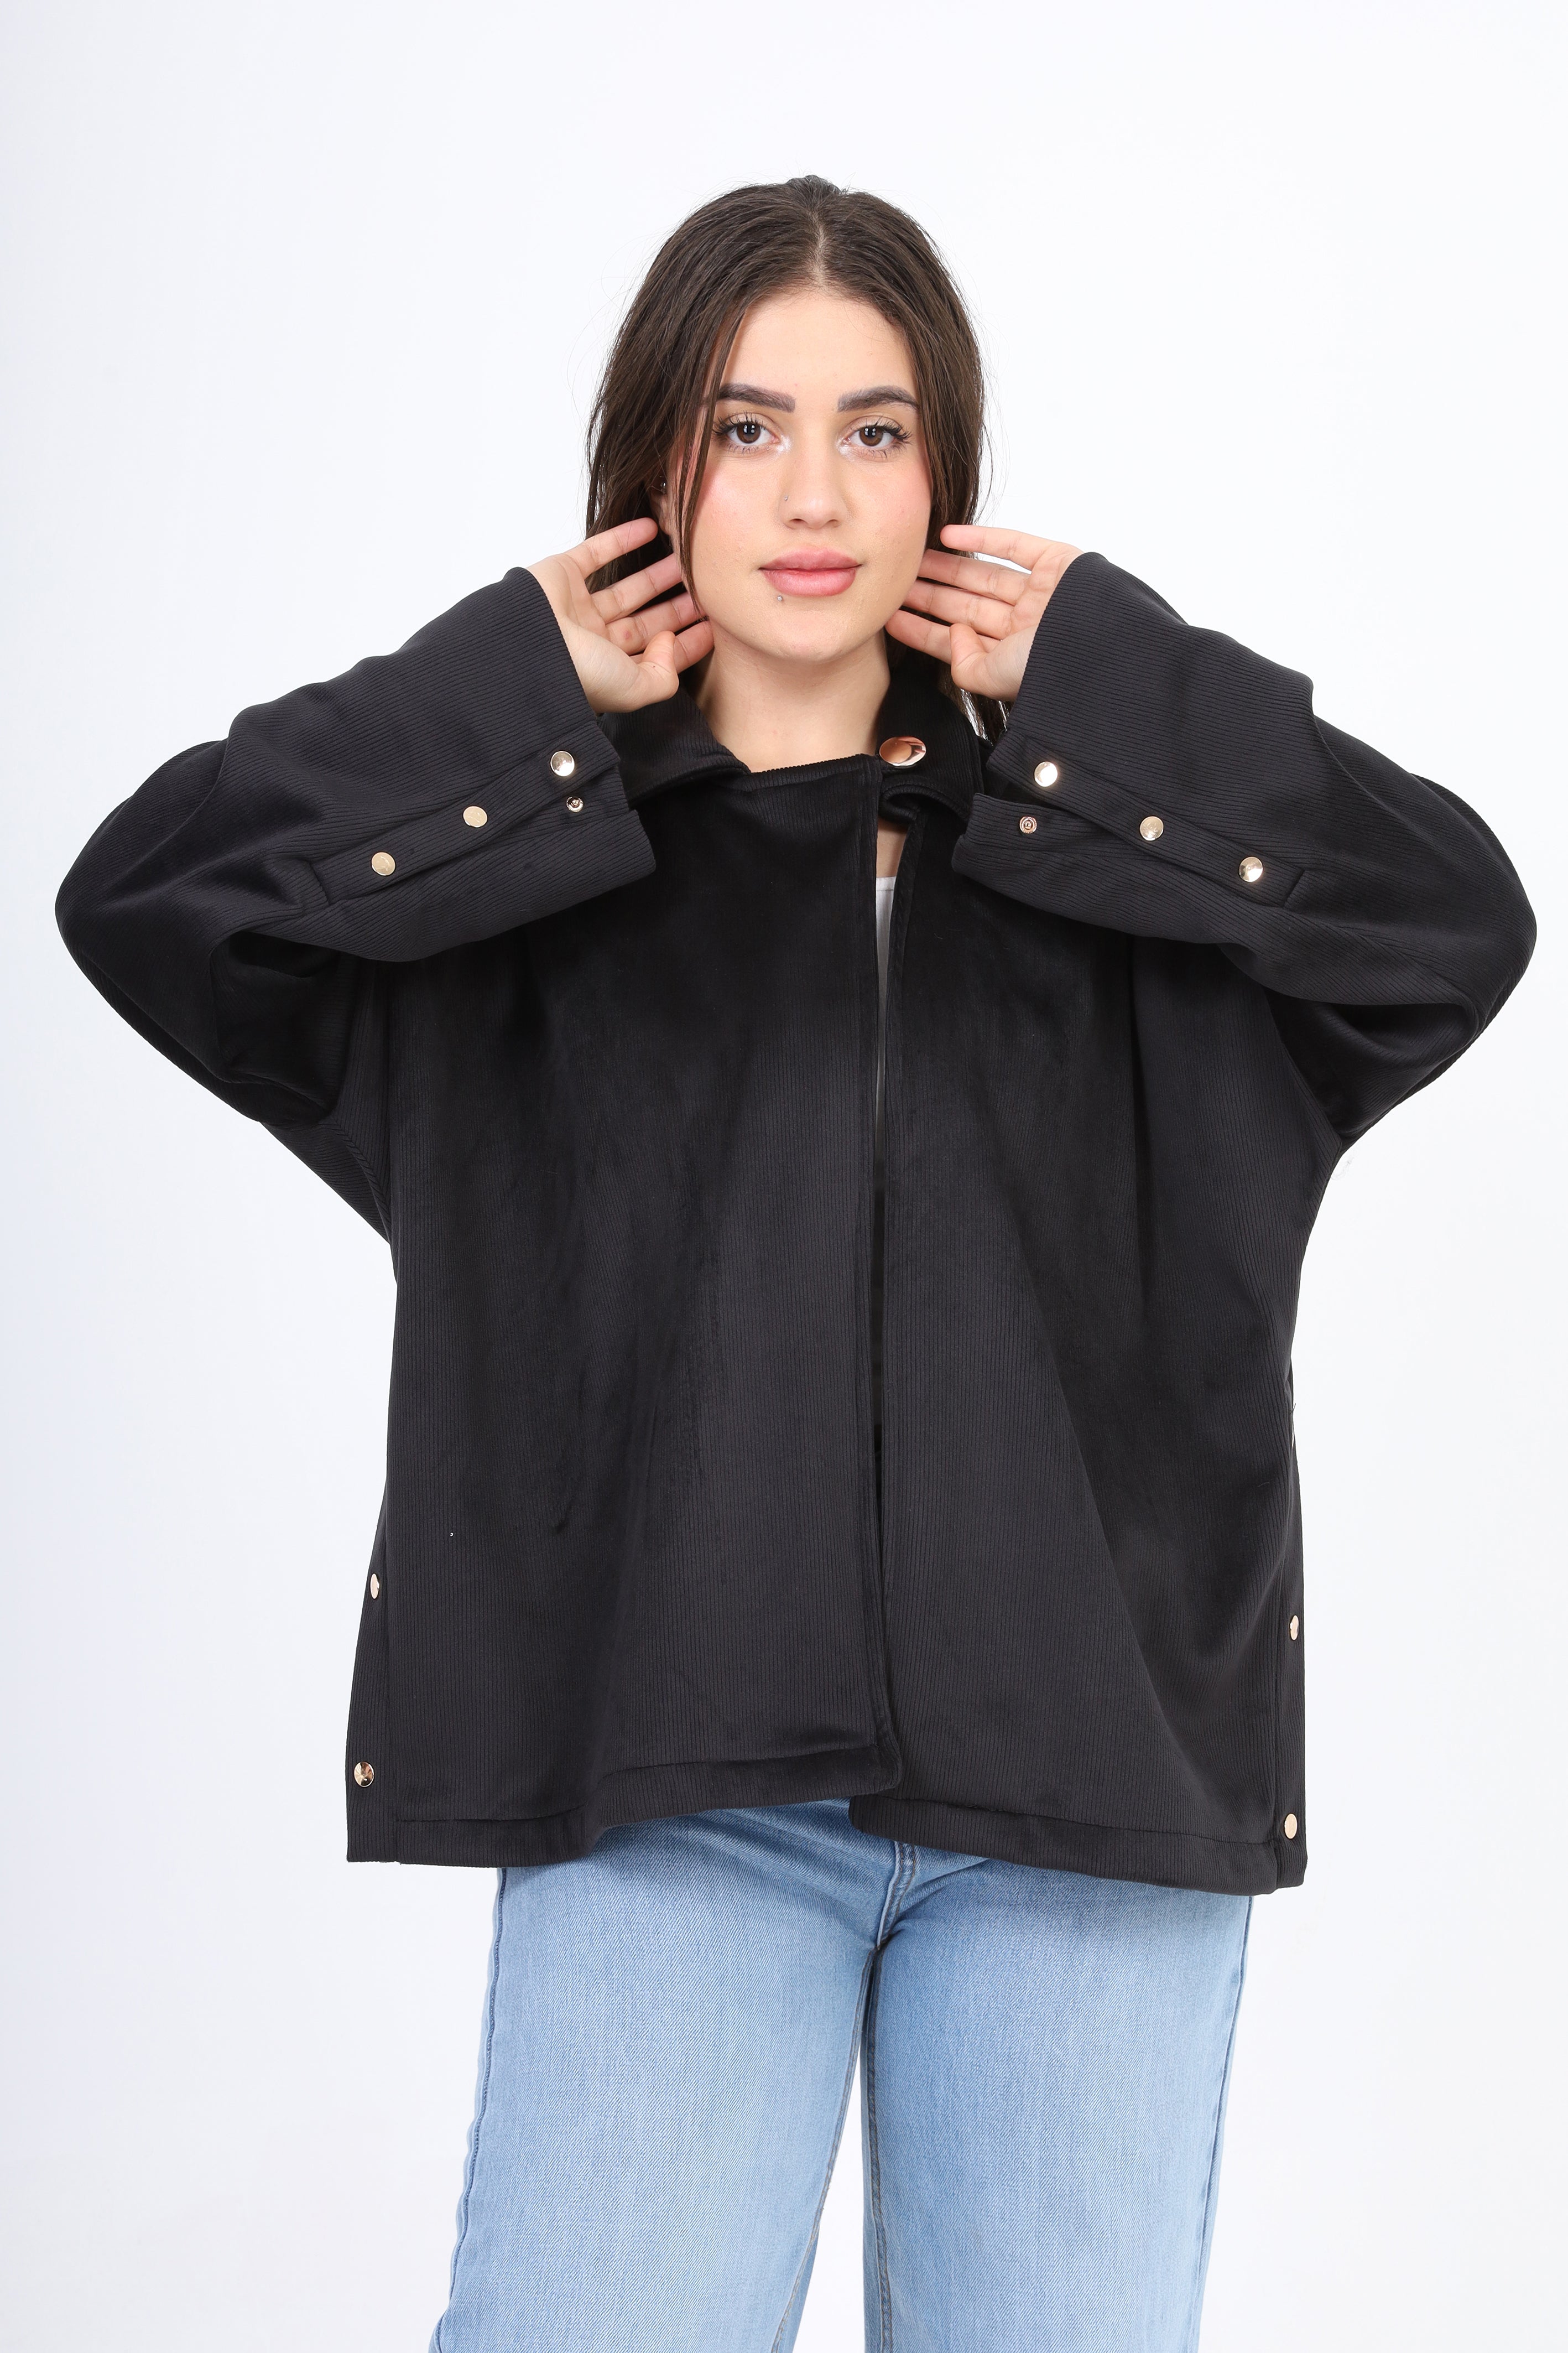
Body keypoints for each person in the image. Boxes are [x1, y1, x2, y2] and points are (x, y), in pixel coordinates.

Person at [56, 175, 1534, 2352]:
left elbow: (1453, 923)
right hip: (675, 1786)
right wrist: (503, 684)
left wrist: (1118, 686)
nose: (814, 496)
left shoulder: (1108, 858)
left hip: (1088, 1791)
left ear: (947, 475)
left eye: (874, 428)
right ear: (657, 469)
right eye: (745, 429)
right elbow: (148, 899)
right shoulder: (523, 887)